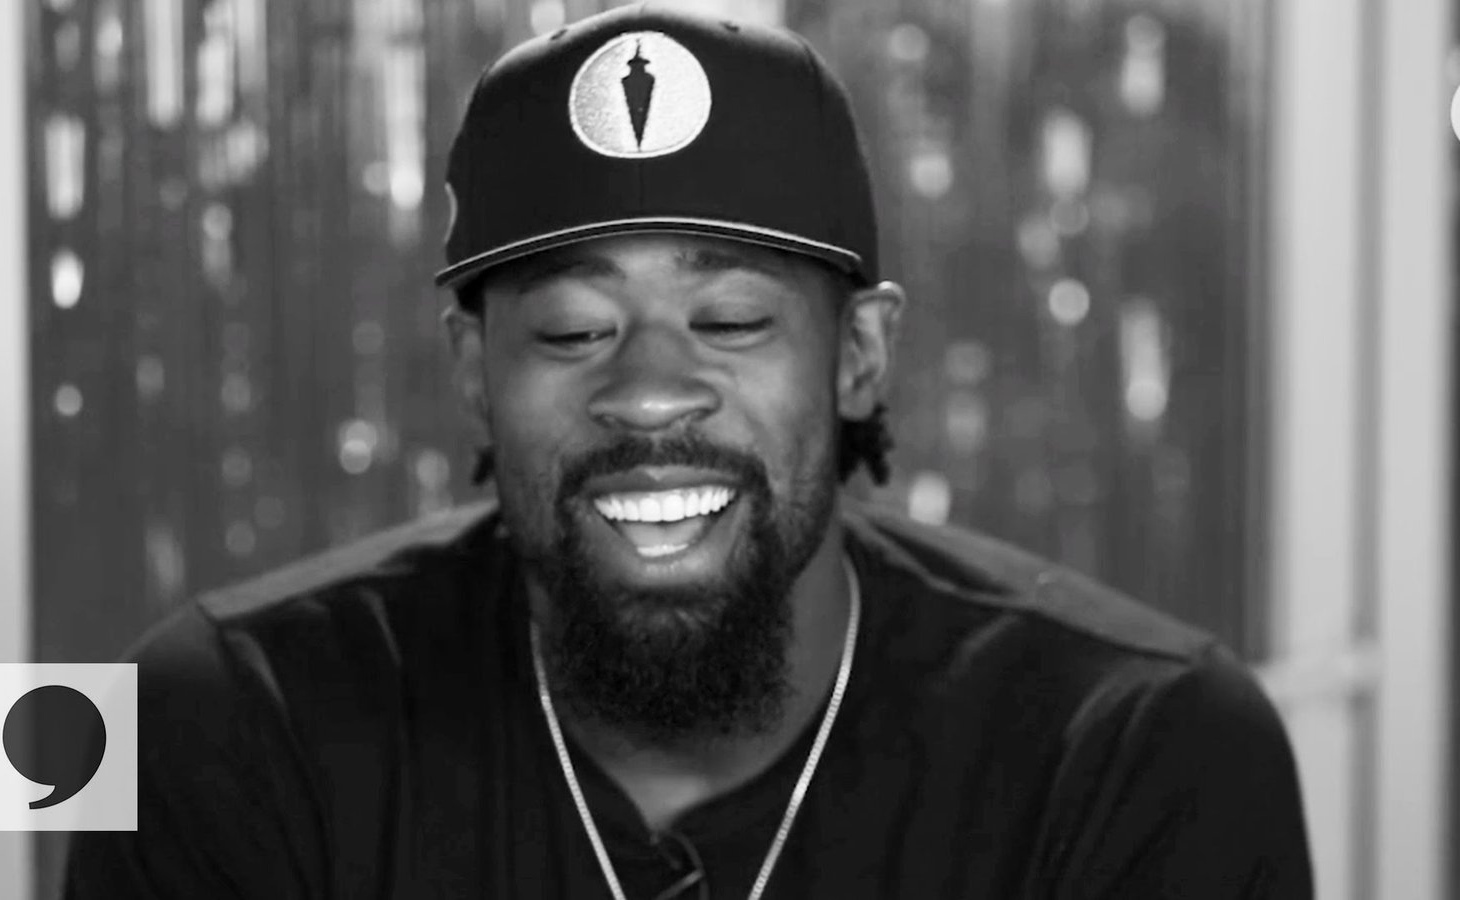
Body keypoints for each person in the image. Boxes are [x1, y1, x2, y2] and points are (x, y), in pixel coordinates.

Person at [64, 6, 1313, 898]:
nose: (651, 392)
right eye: (572, 328)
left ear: (858, 354)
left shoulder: (1138, 749)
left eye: (730, 320)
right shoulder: (227, 720)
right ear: (473, 373)